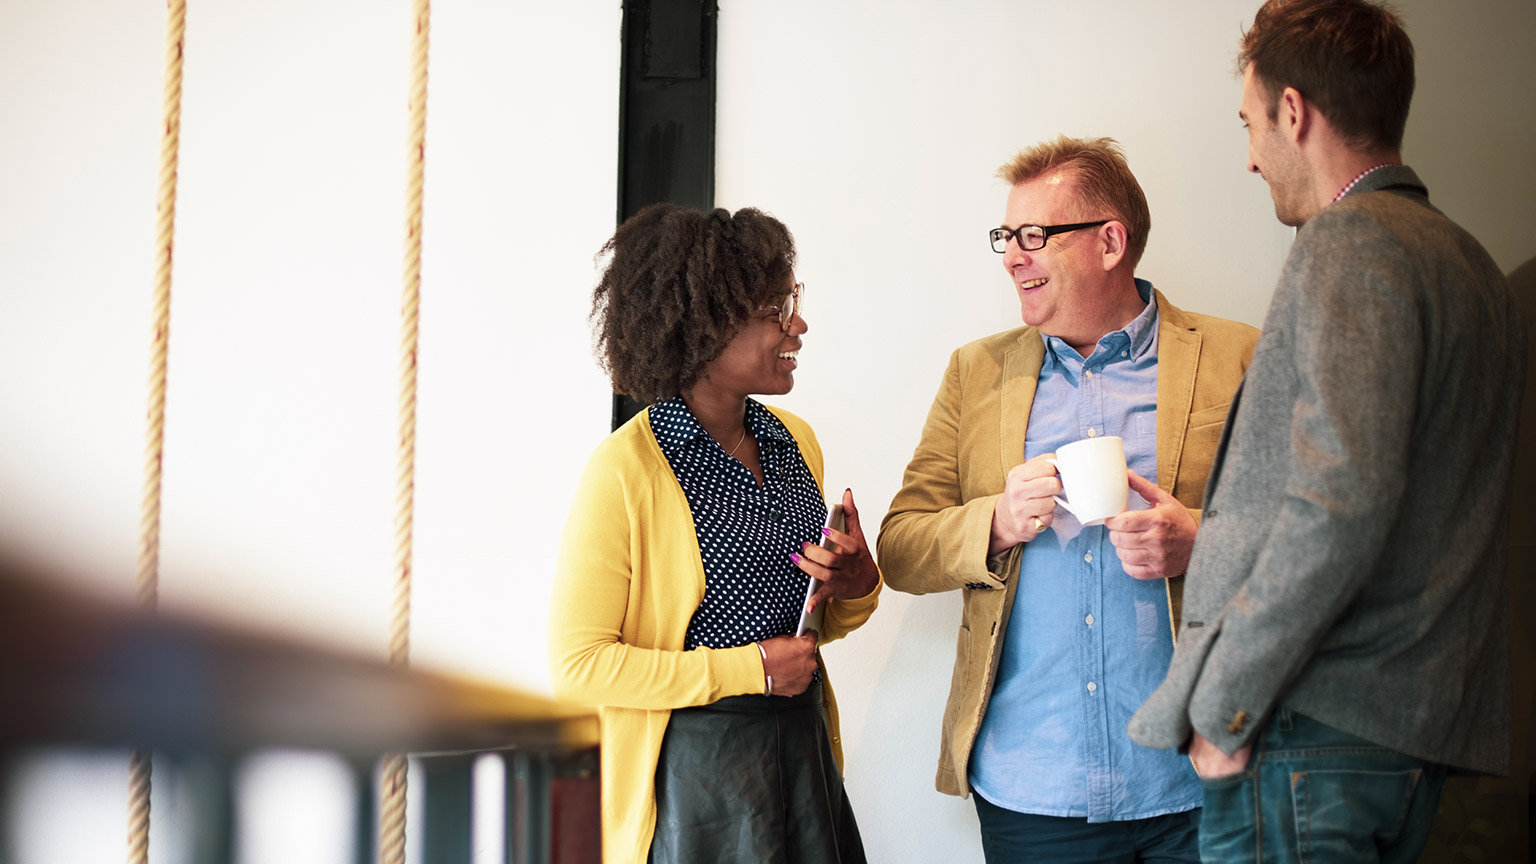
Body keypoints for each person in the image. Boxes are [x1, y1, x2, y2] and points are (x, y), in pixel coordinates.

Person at [1127, 1, 1528, 861]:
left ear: (1295, 111)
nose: (1248, 156)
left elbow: (1338, 501)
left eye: (1250, 122)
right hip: (1410, 737)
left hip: (1311, 736)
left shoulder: (1350, 243)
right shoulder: (1474, 268)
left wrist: (1228, 705)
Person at [878, 136, 1259, 863]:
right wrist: (992, 520)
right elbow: (900, 547)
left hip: (1198, 779)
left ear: (1110, 241)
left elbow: (1308, 534)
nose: (1011, 256)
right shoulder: (976, 373)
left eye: (1033, 236)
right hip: (1033, 790)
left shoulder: (1239, 355)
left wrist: (1199, 541)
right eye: (1006, 237)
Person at [549, 203, 881, 864]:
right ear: (703, 324)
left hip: (804, 754)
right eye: (775, 307)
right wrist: (750, 668)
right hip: (699, 781)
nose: (799, 323)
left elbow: (809, 626)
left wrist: (857, 586)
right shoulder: (626, 470)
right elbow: (579, 667)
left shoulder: (796, 443)